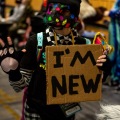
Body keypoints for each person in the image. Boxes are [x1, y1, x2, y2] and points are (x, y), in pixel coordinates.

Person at [0, 0, 111, 119]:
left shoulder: (84, 45)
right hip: (37, 111)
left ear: (75, 13)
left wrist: (103, 70)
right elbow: (19, 86)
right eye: (52, 8)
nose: (55, 12)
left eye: (65, 10)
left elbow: (92, 83)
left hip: (67, 112)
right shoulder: (37, 42)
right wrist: (14, 71)